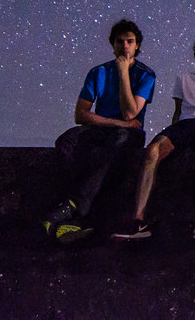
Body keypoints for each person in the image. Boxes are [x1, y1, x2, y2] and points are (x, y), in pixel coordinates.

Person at [112, 36, 195, 241]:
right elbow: (178, 111)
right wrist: (171, 134)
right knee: (152, 150)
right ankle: (138, 218)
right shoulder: (183, 78)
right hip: (184, 125)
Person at [42, 19, 156, 243]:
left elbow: (130, 113)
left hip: (128, 134)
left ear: (137, 46)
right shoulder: (98, 72)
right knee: (67, 141)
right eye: (120, 41)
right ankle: (67, 203)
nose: (124, 46)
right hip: (105, 127)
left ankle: (74, 208)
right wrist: (116, 123)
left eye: (130, 41)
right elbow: (81, 115)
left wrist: (123, 73)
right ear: (112, 44)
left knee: (119, 142)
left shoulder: (146, 75)